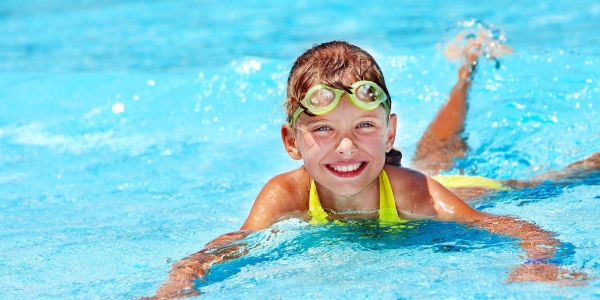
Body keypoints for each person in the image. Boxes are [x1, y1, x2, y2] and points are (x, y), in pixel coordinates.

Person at [148, 38, 595, 299]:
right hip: (409, 173)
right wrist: (183, 277)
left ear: (387, 134)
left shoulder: (412, 192)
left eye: (363, 125)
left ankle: (470, 70)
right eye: (323, 130)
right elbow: (234, 243)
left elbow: (518, 228)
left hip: (461, 188)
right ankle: (465, 68)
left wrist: (540, 262)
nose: (346, 146)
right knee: (440, 149)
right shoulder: (286, 194)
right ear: (291, 141)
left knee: (539, 181)